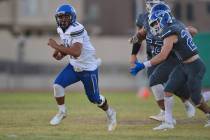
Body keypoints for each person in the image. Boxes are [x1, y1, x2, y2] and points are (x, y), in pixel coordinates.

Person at [130, 3, 210, 130]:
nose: (155, 25)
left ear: (163, 18)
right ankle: (168, 122)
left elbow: (163, 55)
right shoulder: (174, 25)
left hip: (193, 65)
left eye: (157, 21)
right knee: (168, 89)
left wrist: (142, 65)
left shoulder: (171, 30)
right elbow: (142, 34)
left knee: (196, 98)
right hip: (183, 64)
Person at [47, 4, 117, 131]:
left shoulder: (77, 28)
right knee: (57, 85)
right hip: (74, 66)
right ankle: (62, 112)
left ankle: (110, 113)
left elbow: (76, 52)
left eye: (66, 17)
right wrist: (60, 54)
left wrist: (56, 46)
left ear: (72, 17)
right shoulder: (60, 29)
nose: (63, 19)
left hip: (88, 68)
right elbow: (68, 45)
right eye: (60, 17)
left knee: (95, 99)